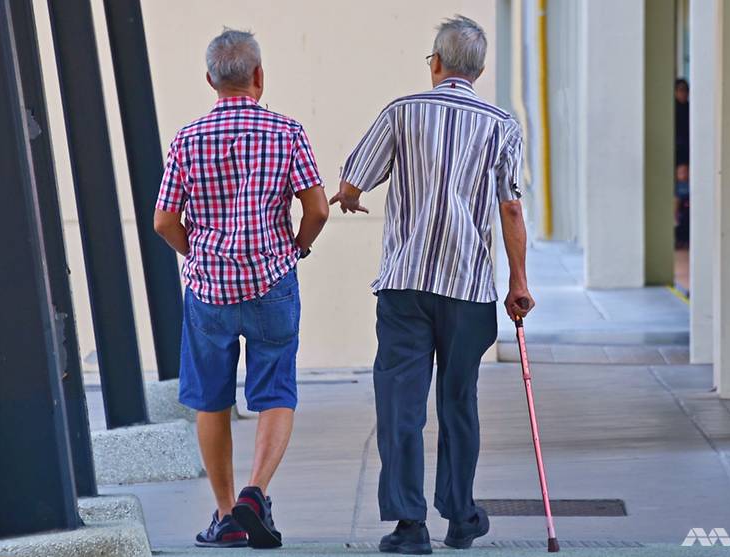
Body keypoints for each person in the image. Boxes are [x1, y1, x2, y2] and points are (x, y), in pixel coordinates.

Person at [330, 15, 534, 555]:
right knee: (458, 401)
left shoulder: (402, 111)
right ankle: (461, 516)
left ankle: (408, 524)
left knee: (401, 402)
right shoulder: (500, 124)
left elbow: (354, 180)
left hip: (406, 285)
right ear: (481, 69)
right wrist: (518, 280)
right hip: (468, 288)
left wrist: (350, 198)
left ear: (436, 64)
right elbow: (511, 208)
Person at [153, 28, 329, 550]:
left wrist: (198, 253)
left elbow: (164, 220)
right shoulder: (287, 131)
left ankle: (227, 514)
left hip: (210, 290)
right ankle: (257, 492)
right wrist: (297, 245)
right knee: (275, 391)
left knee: (210, 399)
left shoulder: (187, 139)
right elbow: (317, 208)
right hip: (272, 280)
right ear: (258, 76)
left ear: (210, 80)